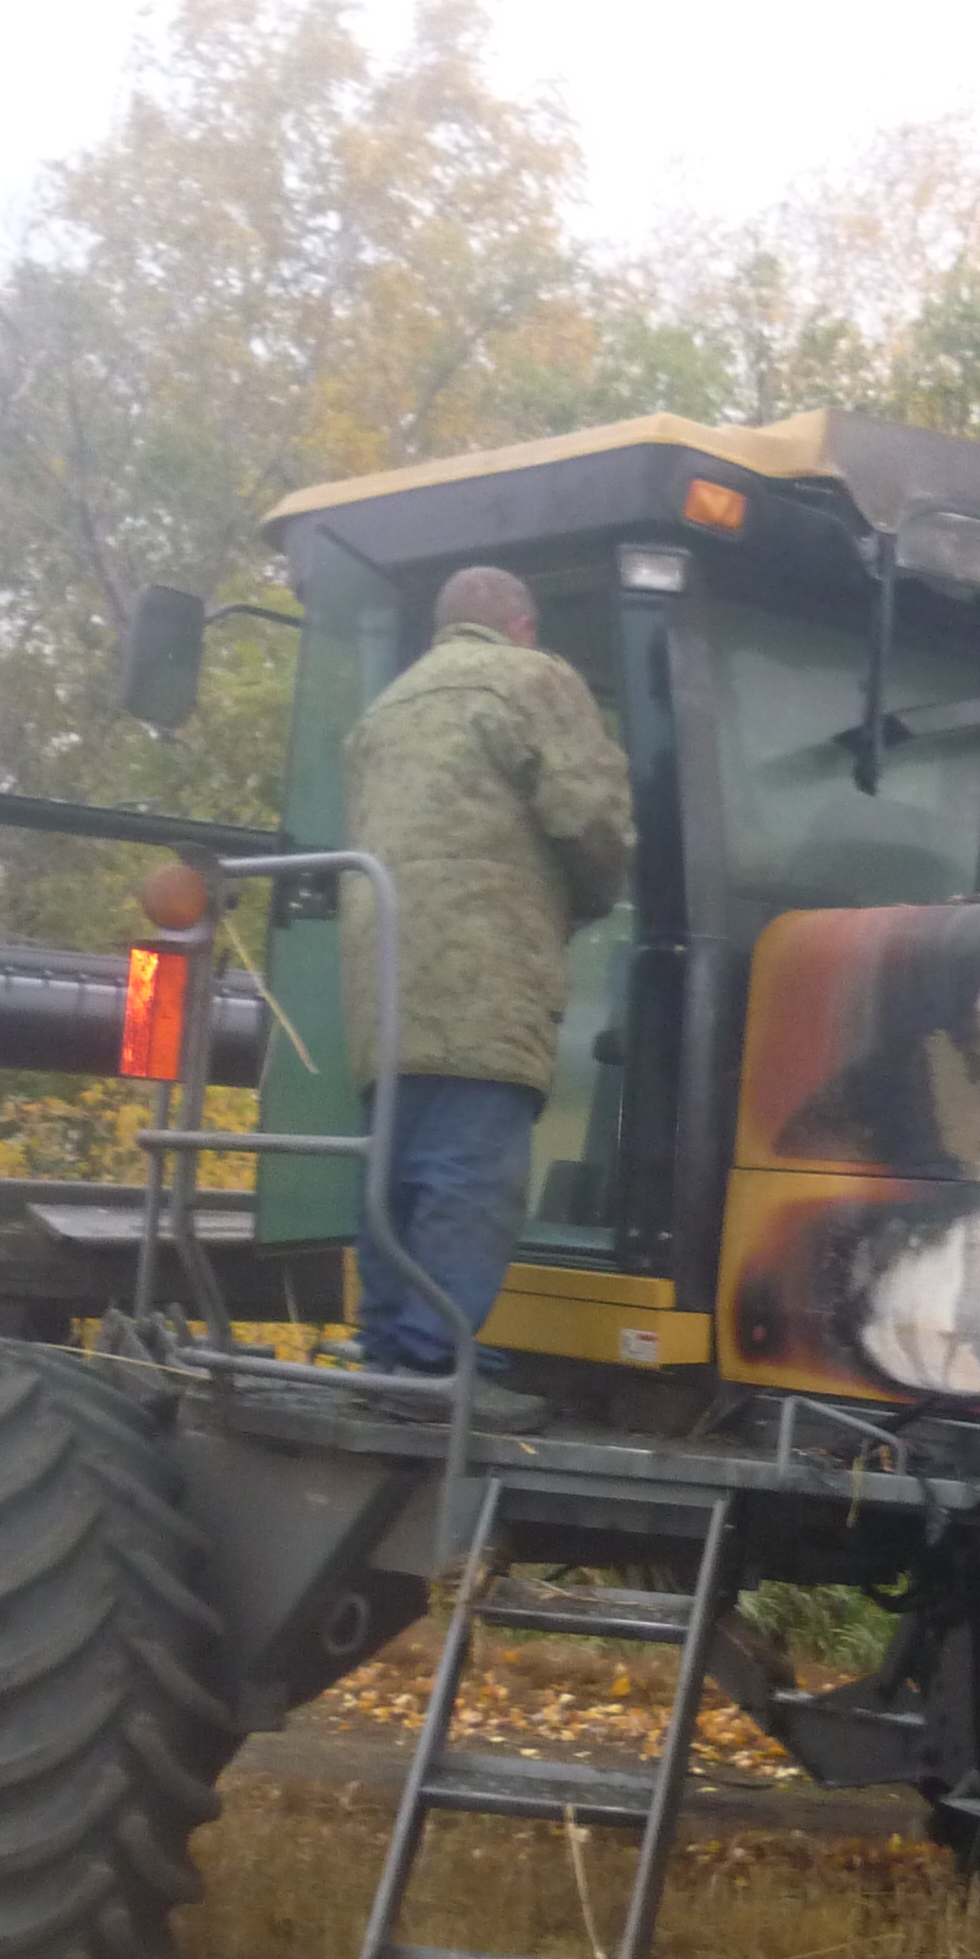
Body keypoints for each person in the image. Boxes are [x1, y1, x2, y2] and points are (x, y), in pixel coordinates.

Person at [340, 563, 632, 1427]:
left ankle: (389, 1354)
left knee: (394, 1171)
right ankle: (439, 1366)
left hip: (380, 969)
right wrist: (592, 896)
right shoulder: (532, 680)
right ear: (524, 625)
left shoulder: (383, 711)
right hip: (483, 965)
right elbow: (593, 821)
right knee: (471, 1172)